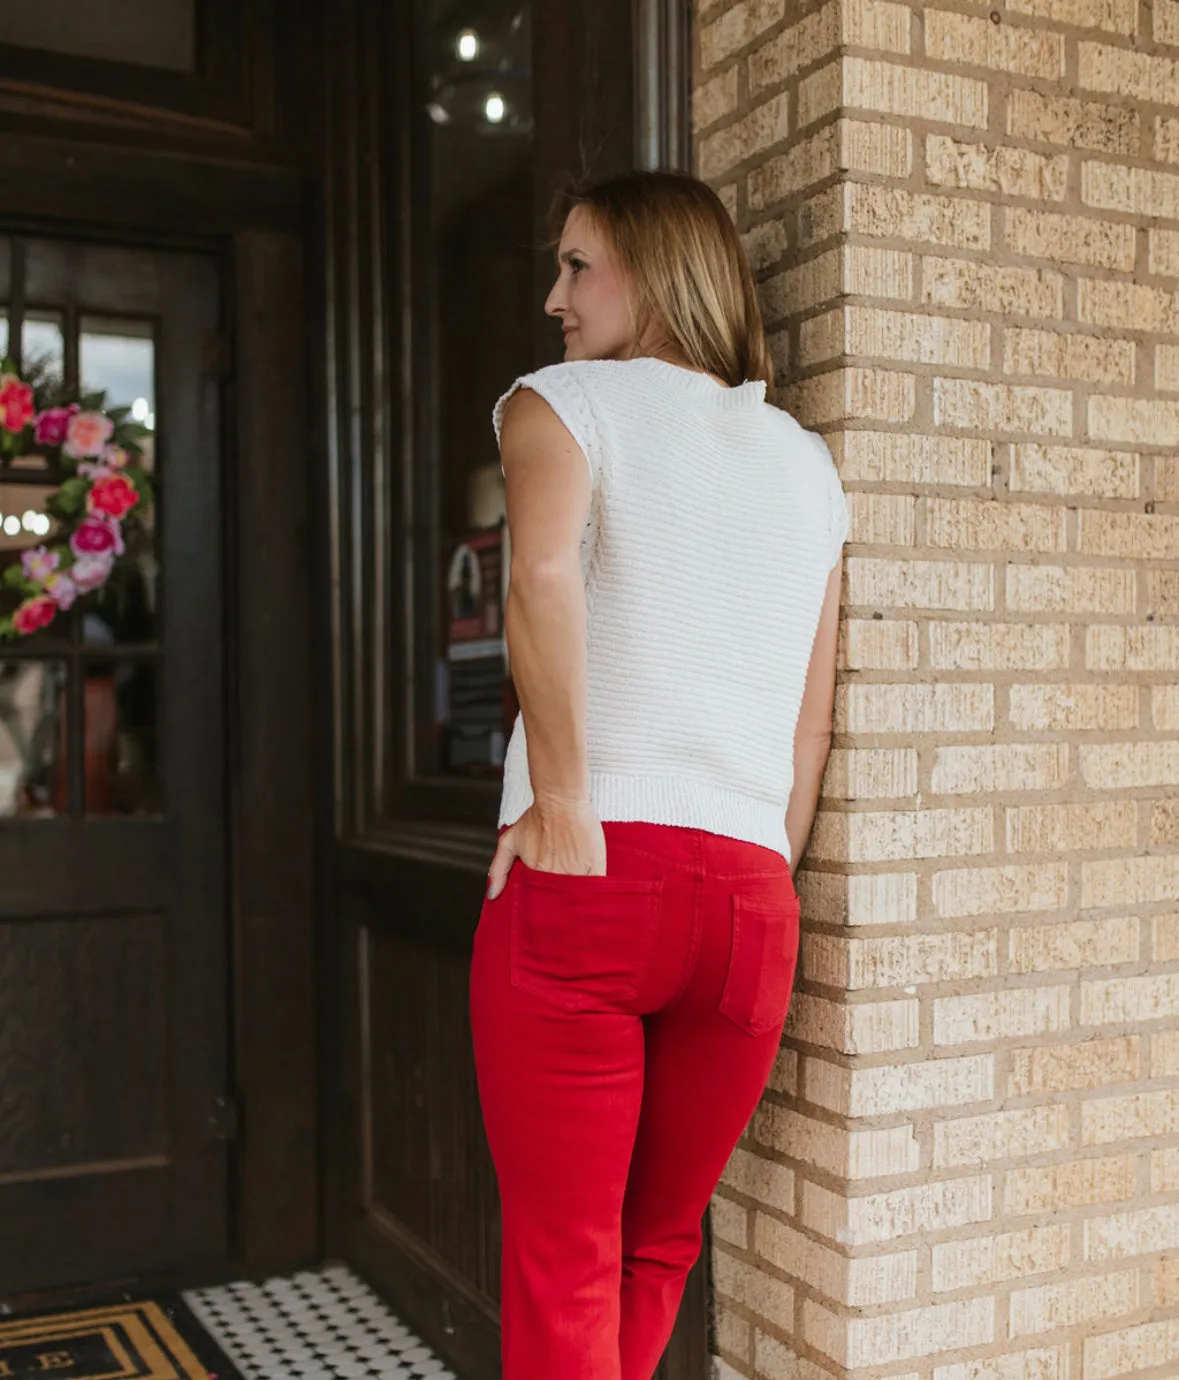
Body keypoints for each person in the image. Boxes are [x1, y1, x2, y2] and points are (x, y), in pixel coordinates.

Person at [469, 169, 848, 1380]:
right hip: (747, 900)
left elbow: (539, 580)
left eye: (578, 266)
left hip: (594, 870)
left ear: (661, 268)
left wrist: (568, 800)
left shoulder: (564, 403)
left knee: (564, 1260)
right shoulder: (806, 464)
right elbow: (810, 715)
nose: (554, 298)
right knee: (656, 1250)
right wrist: (758, 866)